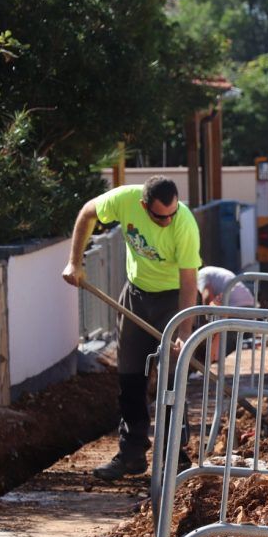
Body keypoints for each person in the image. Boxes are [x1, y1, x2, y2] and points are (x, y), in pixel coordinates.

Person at [62, 176, 201, 480]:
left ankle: (173, 455)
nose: (166, 221)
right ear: (143, 206)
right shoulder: (124, 201)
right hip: (136, 295)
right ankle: (131, 454)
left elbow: (190, 282)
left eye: (171, 214)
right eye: (159, 216)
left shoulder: (185, 224)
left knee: (171, 378)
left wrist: (183, 332)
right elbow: (87, 212)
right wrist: (75, 262)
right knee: (130, 376)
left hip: (175, 299)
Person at [197, 266, 255, 363]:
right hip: (249, 305)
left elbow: (207, 297)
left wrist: (207, 320)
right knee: (227, 341)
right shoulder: (212, 271)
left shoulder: (201, 274)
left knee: (218, 345)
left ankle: (205, 366)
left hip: (234, 307)